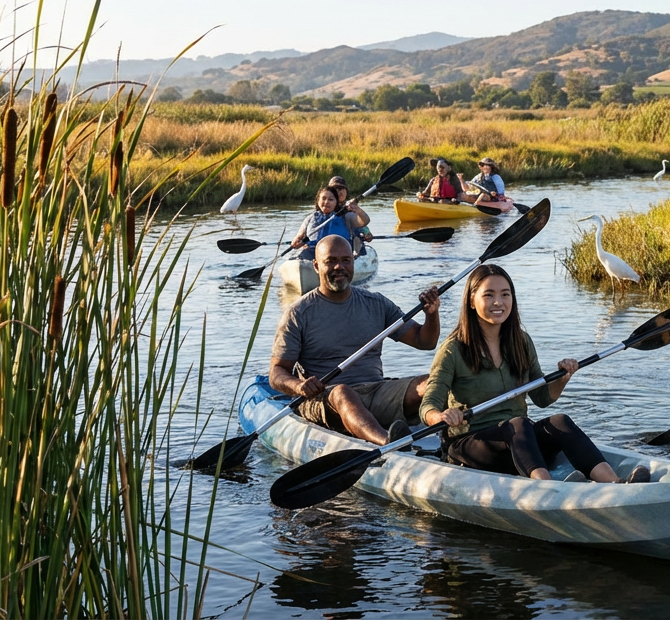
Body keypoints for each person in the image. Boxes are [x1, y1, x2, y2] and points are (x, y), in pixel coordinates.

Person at [421, 264, 649, 483]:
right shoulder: (453, 349)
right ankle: (546, 488)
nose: (498, 302)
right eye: (488, 295)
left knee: (560, 421)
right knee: (518, 424)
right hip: (471, 445)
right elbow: (427, 406)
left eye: (505, 294)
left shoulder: (521, 341)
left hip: (519, 442)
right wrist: (441, 416)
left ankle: (615, 483)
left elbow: (542, 398)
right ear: (472, 301)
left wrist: (563, 377)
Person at [269, 234, 441, 445]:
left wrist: (431, 314)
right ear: (316, 266)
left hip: (376, 392)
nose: (339, 267)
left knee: (433, 381)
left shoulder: (376, 303)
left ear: (353, 263)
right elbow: (276, 373)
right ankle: (389, 443)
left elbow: (424, 342)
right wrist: (298, 386)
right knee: (343, 392)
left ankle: (456, 435)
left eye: (345, 260)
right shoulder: (298, 313)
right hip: (324, 399)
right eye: (331, 261)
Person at [291, 187, 354, 261]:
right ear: (318, 200)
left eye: (331, 199)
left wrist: (357, 209)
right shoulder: (310, 218)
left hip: (337, 253)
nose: (326, 202)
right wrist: (297, 242)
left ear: (336, 202)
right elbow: (299, 236)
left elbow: (364, 221)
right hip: (312, 251)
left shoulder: (346, 216)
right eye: (323, 198)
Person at [327, 176, 373, 250]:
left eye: (341, 188)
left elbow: (364, 228)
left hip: (350, 248)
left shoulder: (352, 209)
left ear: (346, 191)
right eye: (335, 189)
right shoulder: (324, 210)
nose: (339, 192)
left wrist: (367, 234)